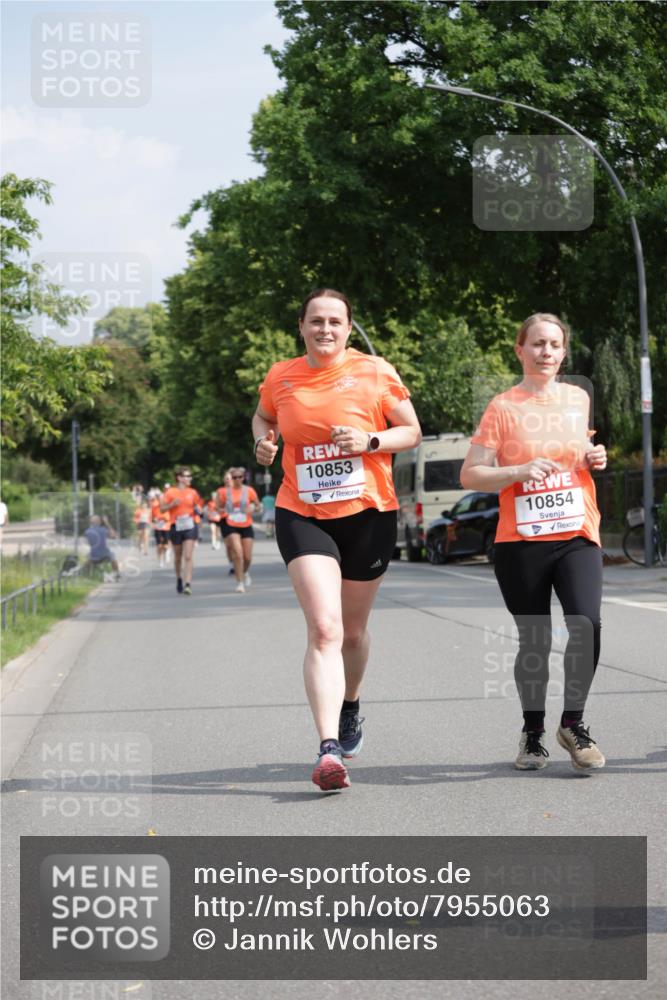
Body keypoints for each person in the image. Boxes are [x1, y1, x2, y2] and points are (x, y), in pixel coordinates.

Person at [252, 288, 422, 791]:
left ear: (349, 328)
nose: (325, 329)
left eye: (335, 322)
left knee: (351, 633)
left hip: (368, 512)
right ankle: (329, 750)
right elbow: (264, 415)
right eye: (316, 321)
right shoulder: (281, 376)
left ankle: (351, 706)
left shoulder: (375, 370)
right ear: (301, 326)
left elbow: (410, 431)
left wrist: (370, 440)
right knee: (325, 630)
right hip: (302, 511)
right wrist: (263, 441)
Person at [460, 312, 608, 773]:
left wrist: (595, 457)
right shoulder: (502, 408)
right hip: (521, 540)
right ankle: (532, 731)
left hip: (577, 531)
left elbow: (578, 453)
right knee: (536, 639)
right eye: (538, 344)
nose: (547, 352)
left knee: (587, 623)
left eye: (555, 345)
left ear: (564, 353)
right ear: (520, 350)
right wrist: (517, 472)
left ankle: (574, 723)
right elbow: (470, 474)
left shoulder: (576, 399)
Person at [216, 468, 261, 593]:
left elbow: (258, 505)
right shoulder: (225, 492)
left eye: (239, 477)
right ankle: (240, 582)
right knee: (238, 553)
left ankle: (245, 571)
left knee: (247, 557)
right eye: (234, 477)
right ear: (231, 478)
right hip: (231, 524)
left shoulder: (249, 490)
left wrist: (253, 508)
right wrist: (223, 511)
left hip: (246, 524)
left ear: (243, 477)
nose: (237, 479)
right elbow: (218, 507)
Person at [161, 468, 203, 596]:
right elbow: (162, 509)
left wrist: (198, 510)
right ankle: (179, 578)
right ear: (179, 478)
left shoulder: (193, 492)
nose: (189, 478)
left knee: (188, 556)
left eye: (190, 476)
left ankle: (188, 583)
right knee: (178, 557)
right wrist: (172, 504)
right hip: (176, 526)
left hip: (190, 526)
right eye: (187, 476)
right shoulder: (170, 492)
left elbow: (198, 506)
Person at [83, 515, 120, 580]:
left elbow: (88, 542)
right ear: (100, 522)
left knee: (86, 562)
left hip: (94, 555)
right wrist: (107, 523)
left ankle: (86, 577)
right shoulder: (103, 530)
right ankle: (116, 574)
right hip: (104, 555)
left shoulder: (88, 531)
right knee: (113, 558)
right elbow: (114, 536)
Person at [150, 490, 170, 568]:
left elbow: (169, 517)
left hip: (166, 527)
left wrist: (163, 519)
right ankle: (160, 561)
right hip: (158, 527)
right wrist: (154, 520)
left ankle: (166, 553)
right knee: (159, 546)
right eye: (158, 498)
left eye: (161, 498)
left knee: (165, 546)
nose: (159, 500)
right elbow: (152, 518)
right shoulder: (154, 507)